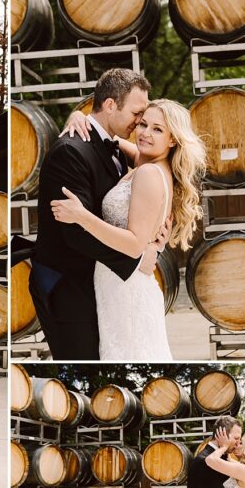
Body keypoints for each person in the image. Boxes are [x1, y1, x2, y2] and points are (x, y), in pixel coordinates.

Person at [28, 68, 167, 360]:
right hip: (67, 287)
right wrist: (138, 255)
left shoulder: (116, 147)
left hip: (100, 283)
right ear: (110, 105)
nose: (140, 122)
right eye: (137, 113)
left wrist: (151, 245)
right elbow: (74, 232)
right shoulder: (71, 151)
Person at [52, 98, 207, 360]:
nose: (145, 133)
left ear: (172, 140)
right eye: (143, 124)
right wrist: (78, 117)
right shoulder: (146, 162)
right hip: (120, 283)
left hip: (126, 290)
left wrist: (82, 216)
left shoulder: (148, 173)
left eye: (158, 129)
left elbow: (135, 244)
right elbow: (104, 136)